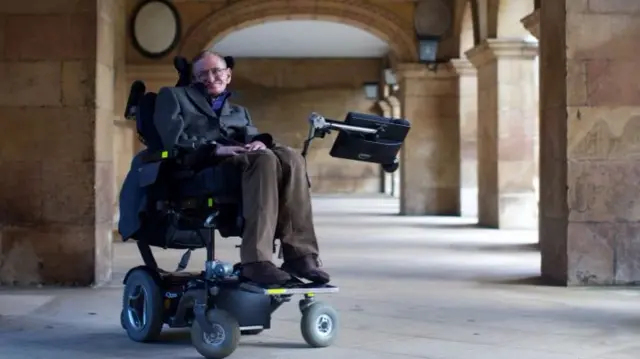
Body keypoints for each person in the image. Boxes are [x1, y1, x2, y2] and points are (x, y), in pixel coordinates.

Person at [153, 50, 330, 286]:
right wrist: (215, 149)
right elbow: (172, 141)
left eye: (216, 71)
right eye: (202, 73)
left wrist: (259, 142)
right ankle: (256, 262)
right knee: (264, 160)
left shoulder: (238, 111)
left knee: (291, 157)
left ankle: (300, 255)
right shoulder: (173, 97)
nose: (210, 77)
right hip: (198, 170)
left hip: (241, 163)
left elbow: (252, 135)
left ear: (228, 75)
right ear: (193, 78)